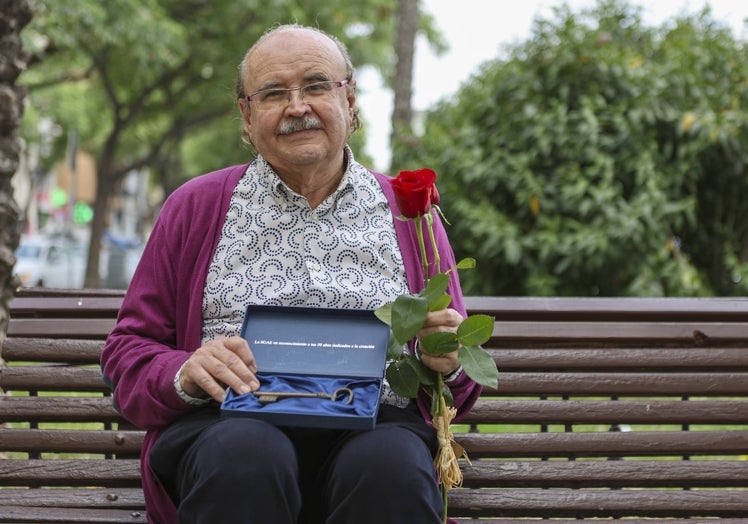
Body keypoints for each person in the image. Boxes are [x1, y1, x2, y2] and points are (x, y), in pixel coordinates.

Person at [100, 23, 481, 524]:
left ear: (350, 100)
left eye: (317, 86)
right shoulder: (195, 207)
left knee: (392, 468)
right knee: (247, 456)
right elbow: (128, 354)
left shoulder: (411, 215)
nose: (297, 107)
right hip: (226, 428)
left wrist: (449, 361)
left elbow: (460, 379)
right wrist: (185, 373)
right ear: (247, 113)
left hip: (374, 429)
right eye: (274, 93)